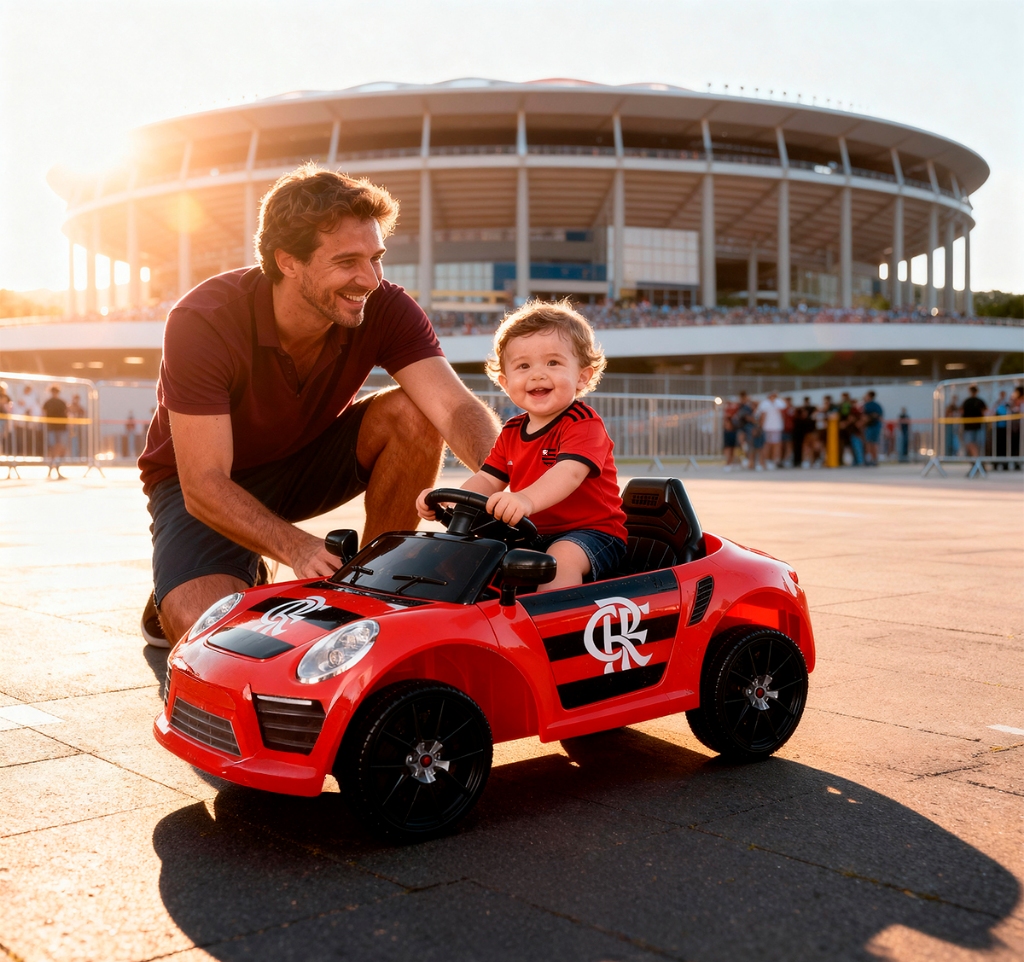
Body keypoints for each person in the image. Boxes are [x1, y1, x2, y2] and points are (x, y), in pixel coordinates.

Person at [138, 165, 499, 648]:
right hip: (207, 485)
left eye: (377, 257)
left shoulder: (386, 305)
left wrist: (512, 482)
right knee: (212, 635)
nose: (369, 279)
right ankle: (193, 574)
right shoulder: (203, 320)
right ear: (288, 262)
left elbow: (453, 408)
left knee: (413, 413)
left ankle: (378, 583)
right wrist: (297, 548)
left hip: (303, 462)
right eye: (348, 261)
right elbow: (203, 483)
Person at [418, 300, 626, 591]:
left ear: (582, 376)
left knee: (560, 560)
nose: (537, 374)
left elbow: (569, 472)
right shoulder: (512, 430)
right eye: (523, 366)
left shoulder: (583, 423)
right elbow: (488, 479)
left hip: (593, 534)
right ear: (505, 382)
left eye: (553, 363)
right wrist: (452, 501)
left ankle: (556, 627)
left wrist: (525, 500)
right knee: (468, 555)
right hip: (532, 534)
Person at [755, 391, 785, 469]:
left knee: (776, 445)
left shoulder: (779, 402)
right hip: (767, 428)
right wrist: (760, 426)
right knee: (767, 445)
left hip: (777, 427)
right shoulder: (764, 403)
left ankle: (775, 460)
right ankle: (767, 461)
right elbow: (762, 415)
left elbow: (783, 410)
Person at [42, 386, 68, 474]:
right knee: (53, 447)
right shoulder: (48, 402)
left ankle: (57, 466)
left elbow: (67, 413)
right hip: (52, 428)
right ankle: (51, 466)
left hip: (61, 428)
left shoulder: (62, 402)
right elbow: (44, 413)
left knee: (60, 447)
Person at [961, 386, 987, 459]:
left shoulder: (969, 401)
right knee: (973, 444)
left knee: (973, 444)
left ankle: (976, 460)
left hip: (973, 426)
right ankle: (976, 459)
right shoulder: (973, 401)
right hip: (973, 426)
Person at [861, 390, 884, 466]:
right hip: (872, 426)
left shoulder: (870, 405)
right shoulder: (875, 405)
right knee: (870, 443)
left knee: (871, 443)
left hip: (873, 426)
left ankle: (873, 459)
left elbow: (876, 415)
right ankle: (871, 459)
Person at [722, 397, 740, 470]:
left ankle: (730, 463)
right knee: (728, 448)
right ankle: (728, 463)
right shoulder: (728, 410)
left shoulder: (735, 410)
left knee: (732, 448)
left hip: (733, 430)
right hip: (729, 431)